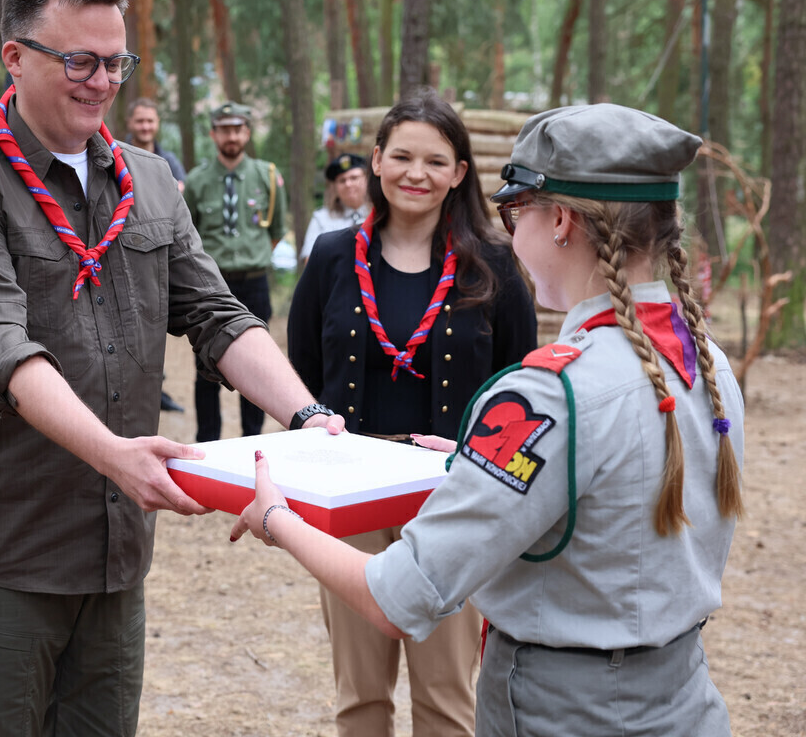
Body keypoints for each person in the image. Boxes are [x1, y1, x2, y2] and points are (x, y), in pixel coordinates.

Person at [0, 0, 343, 737]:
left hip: (115, 557)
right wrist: (116, 454)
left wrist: (305, 412)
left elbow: (217, 315)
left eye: (117, 61)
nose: (102, 81)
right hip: (5, 549)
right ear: (15, 56)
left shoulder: (148, 181)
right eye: (78, 60)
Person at [234, 103, 745, 737]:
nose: (508, 230)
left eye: (514, 211)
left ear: (559, 220)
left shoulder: (549, 396)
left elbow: (404, 594)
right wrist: (481, 467)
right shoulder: (707, 362)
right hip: (681, 697)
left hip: (566, 710)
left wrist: (276, 518)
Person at [287, 93, 537, 737]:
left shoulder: (497, 266)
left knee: (446, 698)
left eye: (435, 160)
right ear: (376, 160)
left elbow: (521, 390)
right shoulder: (332, 258)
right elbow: (301, 377)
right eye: (400, 156)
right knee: (360, 697)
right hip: (350, 499)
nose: (415, 173)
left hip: (452, 502)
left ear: (459, 172)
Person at [183, 101, 286, 441]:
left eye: (237, 128)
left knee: (256, 365)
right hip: (211, 287)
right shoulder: (197, 182)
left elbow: (275, 233)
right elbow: (188, 235)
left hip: (254, 283)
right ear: (213, 134)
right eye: (224, 129)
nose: (231, 135)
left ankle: (253, 439)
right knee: (205, 366)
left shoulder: (267, 177)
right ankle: (207, 443)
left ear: (247, 133)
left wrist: (248, 257)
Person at [124, 96, 187, 412]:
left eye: (150, 121)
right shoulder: (114, 155)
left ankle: (156, 391)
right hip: (123, 254)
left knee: (156, 325)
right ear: (130, 124)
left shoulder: (169, 162)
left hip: (161, 254)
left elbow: (178, 204)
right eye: (140, 121)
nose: (146, 127)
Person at [299, 152, 371, 261]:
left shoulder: (381, 213)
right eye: (342, 180)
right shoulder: (321, 219)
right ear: (335, 187)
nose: (348, 184)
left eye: (354, 178)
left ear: (367, 179)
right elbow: (310, 261)